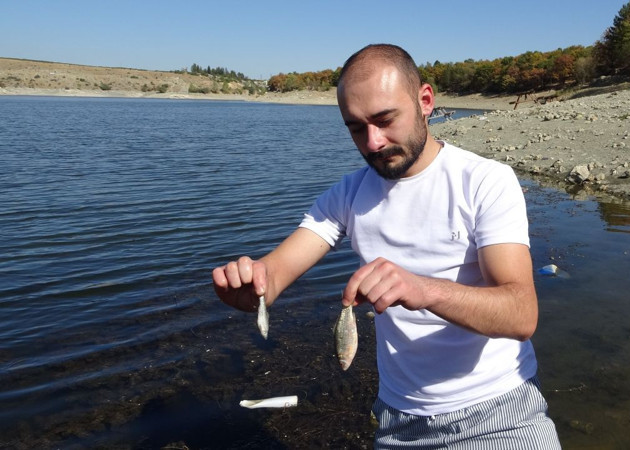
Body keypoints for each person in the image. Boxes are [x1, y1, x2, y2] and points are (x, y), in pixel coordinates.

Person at [212, 43, 560, 449]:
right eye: (356, 127)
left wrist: (424, 289)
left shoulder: (484, 182)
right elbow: (273, 274)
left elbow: (521, 314)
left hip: (499, 414)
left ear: (425, 100)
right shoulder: (347, 194)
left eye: (384, 119)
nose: (373, 142)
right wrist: (249, 286)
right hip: (397, 422)